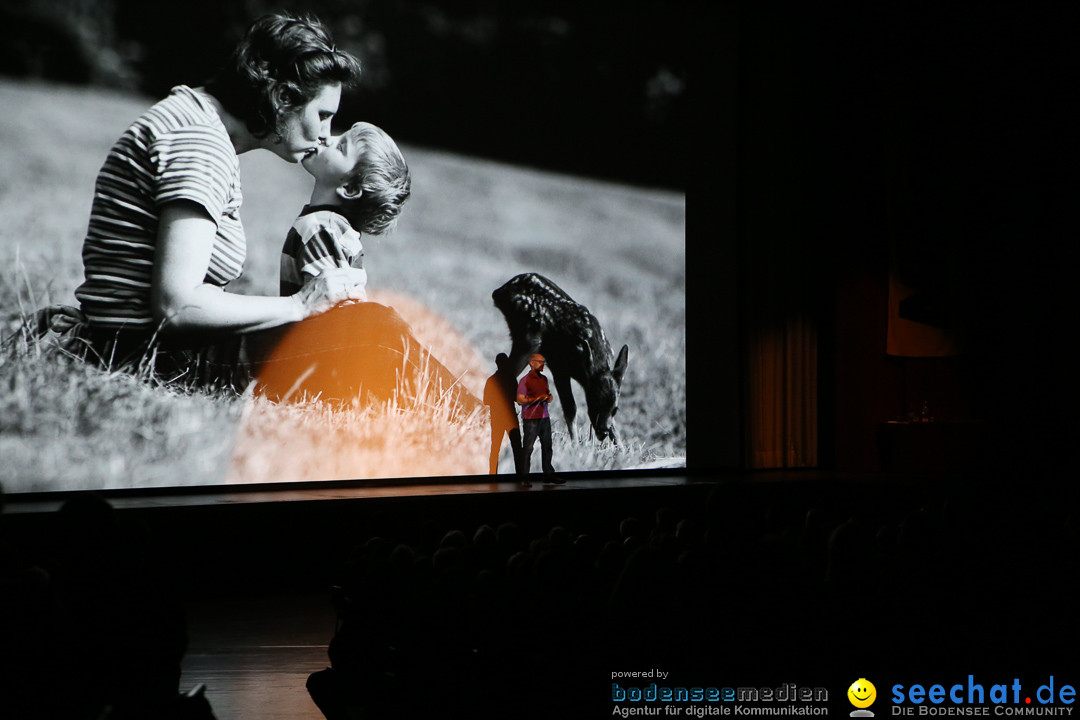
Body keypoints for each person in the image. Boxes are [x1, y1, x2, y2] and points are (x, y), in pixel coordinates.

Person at [279, 121, 411, 296]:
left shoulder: (319, 229)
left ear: (350, 189)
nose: (327, 139)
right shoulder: (333, 228)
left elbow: (323, 305)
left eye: (341, 147)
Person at [516, 353, 562, 482]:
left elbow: (548, 394)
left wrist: (549, 397)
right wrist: (537, 399)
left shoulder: (544, 379)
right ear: (531, 363)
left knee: (547, 447)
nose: (542, 365)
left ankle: (548, 475)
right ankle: (524, 478)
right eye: (539, 362)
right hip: (530, 419)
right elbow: (520, 400)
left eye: (543, 362)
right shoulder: (525, 380)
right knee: (528, 449)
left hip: (544, 418)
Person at [483, 353, 523, 475]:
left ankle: (492, 475)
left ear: (496, 363)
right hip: (510, 417)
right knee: (517, 448)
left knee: (495, 448)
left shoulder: (491, 380)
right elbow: (518, 400)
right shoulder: (511, 378)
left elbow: (486, 401)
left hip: (497, 418)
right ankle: (520, 475)